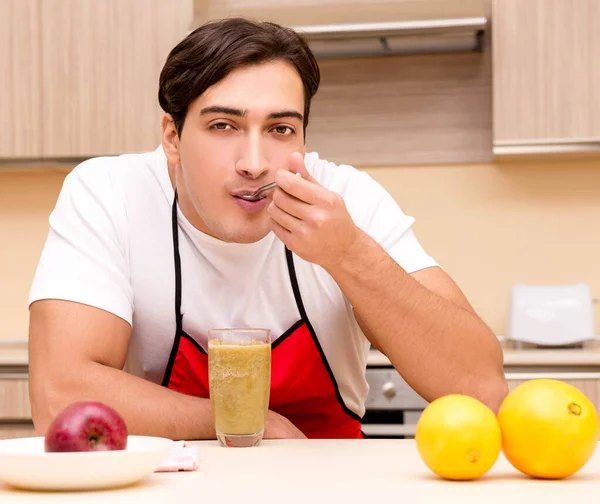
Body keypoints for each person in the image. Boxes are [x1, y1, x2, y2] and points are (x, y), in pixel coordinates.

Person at [28, 18, 507, 440]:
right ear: (172, 137)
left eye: (280, 129)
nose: (254, 164)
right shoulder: (111, 192)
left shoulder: (347, 199)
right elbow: (59, 396)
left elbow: (481, 389)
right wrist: (252, 425)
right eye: (222, 126)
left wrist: (349, 255)